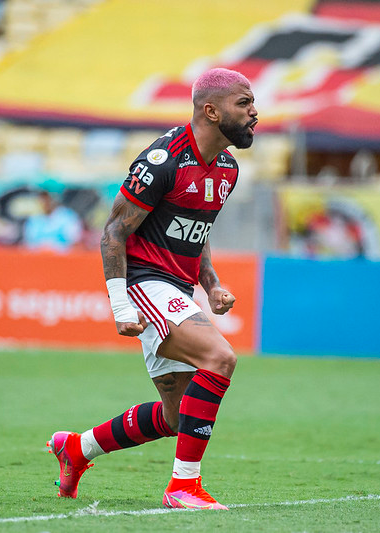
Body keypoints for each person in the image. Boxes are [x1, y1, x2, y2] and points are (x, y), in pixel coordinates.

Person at [46, 68, 258, 510]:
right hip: (145, 283)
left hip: (177, 286)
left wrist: (212, 283)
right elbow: (113, 233)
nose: (255, 112)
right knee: (220, 359)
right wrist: (121, 305)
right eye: (244, 103)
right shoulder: (162, 161)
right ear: (211, 110)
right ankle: (183, 487)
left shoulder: (226, 168)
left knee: (177, 417)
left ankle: (78, 449)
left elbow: (194, 232)